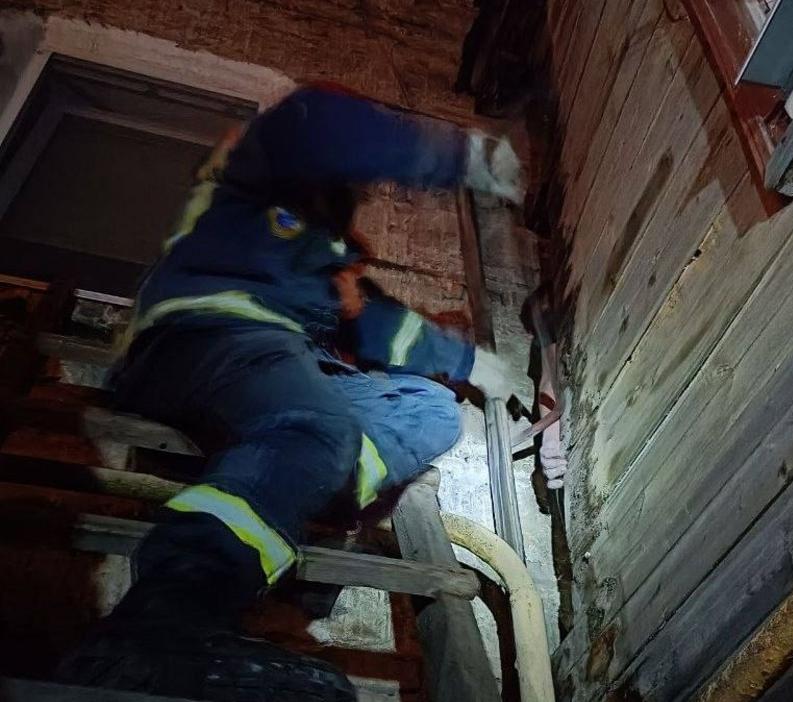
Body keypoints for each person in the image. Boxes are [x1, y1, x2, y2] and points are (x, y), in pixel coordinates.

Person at [57, 84, 523, 701]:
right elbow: (317, 121)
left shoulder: (319, 264)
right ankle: (158, 624)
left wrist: (472, 364)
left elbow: (380, 326)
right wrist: (463, 157)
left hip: (280, 360)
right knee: (313, 424)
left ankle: (317, 483)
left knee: (431, 409)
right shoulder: (254, 180)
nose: (358, 193)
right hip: (201, 331)